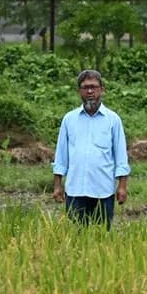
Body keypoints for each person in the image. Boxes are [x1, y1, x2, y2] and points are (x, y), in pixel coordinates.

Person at [52, 69, 130, 229]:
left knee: (101, 236)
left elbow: (121, 156)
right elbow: (61, 155)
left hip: (103, 190)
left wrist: (122, 186)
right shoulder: (69, 119)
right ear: (79, 91)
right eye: (85, 87)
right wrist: (57, 185)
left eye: (94, 87)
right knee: (76, 236)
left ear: (102, 89)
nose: (90, 91)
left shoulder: (113, 120)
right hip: (75, 190)